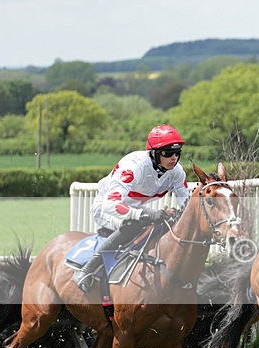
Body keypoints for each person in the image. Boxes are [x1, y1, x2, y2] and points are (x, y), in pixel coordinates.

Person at [72, 124, 190, 293]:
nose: (174, 158)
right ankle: (86, 270)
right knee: (134, 224)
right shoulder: (133, 167)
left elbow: (185, 202)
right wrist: (147, 214)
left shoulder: (176, 172)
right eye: (167, 153)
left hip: (131, 208)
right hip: (106, 208)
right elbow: (109, 205)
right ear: (155, 153)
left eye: (177, 152)